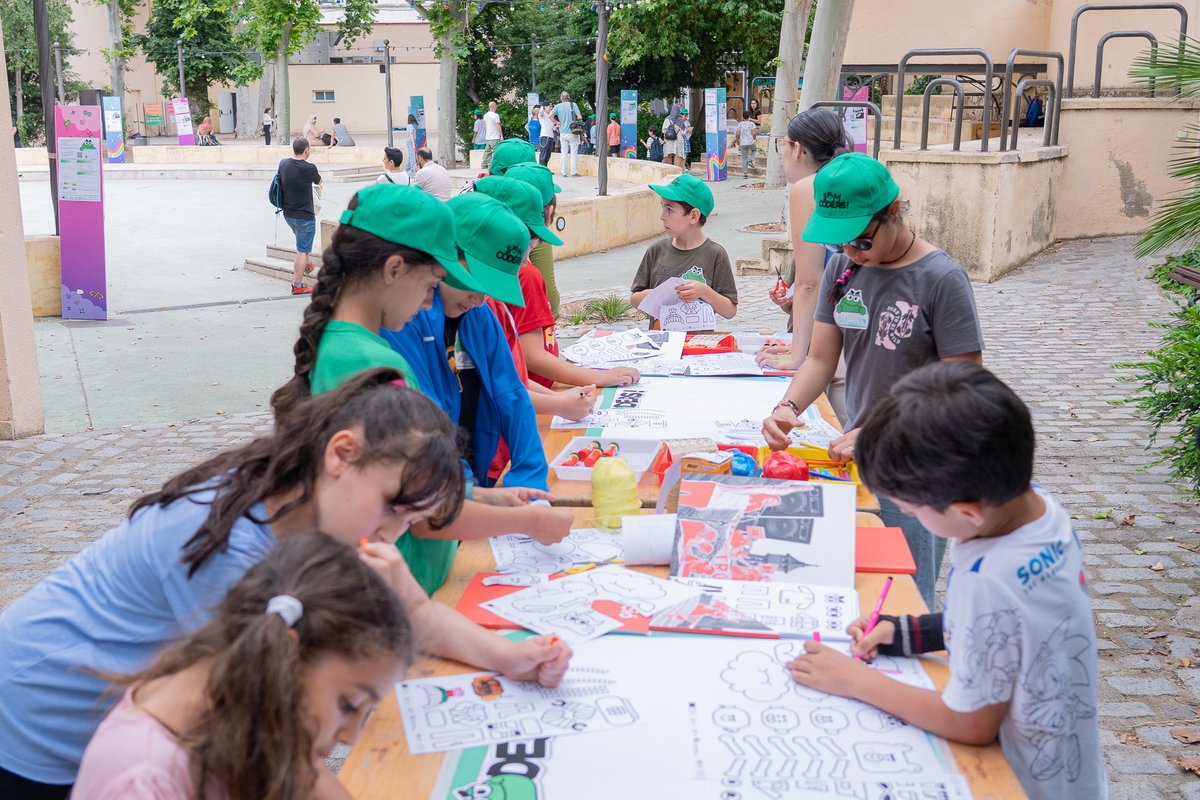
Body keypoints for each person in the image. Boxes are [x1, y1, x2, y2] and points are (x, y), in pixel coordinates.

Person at [0, 371, 572, 798]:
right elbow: (263, 725)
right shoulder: (228, 546)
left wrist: (510, 655)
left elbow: (412, 612)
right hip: (37, 726)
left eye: (409, 522)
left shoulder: (321, 517)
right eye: (389, 508)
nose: (391, 535)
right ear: (341, 454)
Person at [787, 361, 1106, 800]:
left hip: (1017, 780)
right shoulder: (1039, 512)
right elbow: (1016, 623)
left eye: (915, 510)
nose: (913, 516)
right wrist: (912, 632)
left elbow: (971, 723)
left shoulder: (988, 577)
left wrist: (851, 680)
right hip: (1073, 771)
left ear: (968, 510)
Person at [271, 184, 572, 594]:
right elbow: (426, 512)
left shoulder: (353, 347)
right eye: (432, 284)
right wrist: (525, 520)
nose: (429, 300)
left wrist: (487, 497)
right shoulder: (375, 364)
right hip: (401, 588)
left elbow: (421, 486)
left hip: (412, 582)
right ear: (394, 270)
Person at [760, 153, 984, 609]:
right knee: (861, 588)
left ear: (895, 212)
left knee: (904, 596)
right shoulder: (842, 269)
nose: (852, 252)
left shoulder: (941, 278)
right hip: (860, 454)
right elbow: (821, 358)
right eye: (840, 242)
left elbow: (964, 385)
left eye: (861, 240)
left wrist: (884, 430)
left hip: (922, 466)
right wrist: (787, 409)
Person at [74, 532, 412, 799]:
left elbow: (305, 777)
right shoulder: (141, 781)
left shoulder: (251, 706)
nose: (350, 738)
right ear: (288, 655)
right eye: (349, 705)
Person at [383, 193, 548, 491]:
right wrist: (471, 492)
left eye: (491, 288)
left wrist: (531, 479)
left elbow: (512, 396)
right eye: (475, 281)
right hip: (429, 487)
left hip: (470, 482)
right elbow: (426, 418)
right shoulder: (402, 320)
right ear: (447, 253)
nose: (480, 298)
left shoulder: (481, 316)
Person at [476, 177, 640, 390]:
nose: (526, 258)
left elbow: (512, 374)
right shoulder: (524, 276)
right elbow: (529, 359)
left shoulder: (504, 284)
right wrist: (592, 379)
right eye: (533, 242)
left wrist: (559, 398)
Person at [755, 108, 853, 424]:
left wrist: (798, 355)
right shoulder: (849, 178)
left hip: (837, 336)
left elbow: (812, 283)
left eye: (782, 144)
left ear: (798, 149)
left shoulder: (807, 188)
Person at [630, 174, 737, 332]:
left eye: (669, 210)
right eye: (662, 207)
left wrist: (704, 291)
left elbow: (730, 311)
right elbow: (634, 299)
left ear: (693, 216)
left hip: (697, 347)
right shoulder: (656, 251)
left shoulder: (715, 254)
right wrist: (655, 294)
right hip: (660, 346)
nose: (662, 217)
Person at [277, 137, 322, 296]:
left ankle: (308, 264)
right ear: (307, 150)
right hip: (305, 216)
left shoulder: (283, 164)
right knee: (302, 250)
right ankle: (297, 285)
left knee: (302, 243)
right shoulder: (309, 168)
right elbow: (319, 182)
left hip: (288, 214)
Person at [551, 91, 582, 177]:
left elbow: (550, 115)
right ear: (569, 98)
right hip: (573, 132)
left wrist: (557, 122)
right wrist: (575, 121)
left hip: (563, 133)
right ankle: (573, 172)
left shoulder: (557, 106)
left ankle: (564, 172)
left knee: (563, 152)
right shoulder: (573, 105)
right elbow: (579, 116)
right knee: (573, 153)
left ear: (561, 99)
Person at [735, 111, 759, 178]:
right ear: (749, 117)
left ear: (742, 116)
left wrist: (737, 141)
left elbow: (737, 134)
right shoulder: (752, 124)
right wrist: (754, 138)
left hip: (742, 143)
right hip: (750, 142)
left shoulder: (740, 124)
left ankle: (745, 174)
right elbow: (754, 133)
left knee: (744, 158)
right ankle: (750, 159)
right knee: (754, 150)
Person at [481, 101, 503, 170]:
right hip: (495, 136)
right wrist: (501, 135)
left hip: (488, 137)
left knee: (487, 151)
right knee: (495, 151)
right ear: (494, 106)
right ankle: (494, 165)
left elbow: (485, 126)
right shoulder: (495, 115)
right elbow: (497, 125)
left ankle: (484, 164)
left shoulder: (485, 115)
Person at [538, 101, 557, 166]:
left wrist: (556, 126)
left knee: (548, 155)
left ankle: (545, 168)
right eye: (549, 106)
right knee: (544, 155)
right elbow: (540, 111)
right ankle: (541, 169)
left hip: (551, 137)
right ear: (545, 107)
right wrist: (542, 107)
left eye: (551, 106)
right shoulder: (542, 115)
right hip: (545, 137)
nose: (551, 108)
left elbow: (553, 128)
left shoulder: (551, 116)